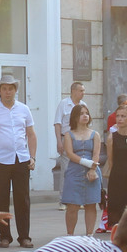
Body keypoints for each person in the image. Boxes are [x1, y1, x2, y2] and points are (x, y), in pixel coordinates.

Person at [0, 74, 37, 249]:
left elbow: (31, 134)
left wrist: (33, 156)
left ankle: (24, 237)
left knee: (23, 199)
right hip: (0, 161)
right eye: (4, 88)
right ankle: (4, 236)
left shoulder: (24, 109)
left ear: (15, 90)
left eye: (10, 88)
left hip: (21, 159)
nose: (7, 92)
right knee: (2, 199)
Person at [60, 103, 102, 235]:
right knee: (72, 205)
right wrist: (86, 162)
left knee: (91, 204)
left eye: (86, 113)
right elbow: (70, 154)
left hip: (92, 171)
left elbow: (96, 154)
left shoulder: (95, 134)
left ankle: (89, 235)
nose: (85, 116)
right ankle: (70, 236)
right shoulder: (69, 134)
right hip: (74, 171)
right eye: (81, 114)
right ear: (75, 117)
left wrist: (92, 169)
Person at [55, 82, 88, 210]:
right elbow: (57, 123)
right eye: (81, 90)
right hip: (66, 138)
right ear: (73, 91)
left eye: (84, 91)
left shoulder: (83, 106)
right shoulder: (64, 104)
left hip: (80, 139)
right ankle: (63, 200)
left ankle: (78, 199)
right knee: (66, 169)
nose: (83, 93)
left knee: (80, 169)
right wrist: (59, 141)